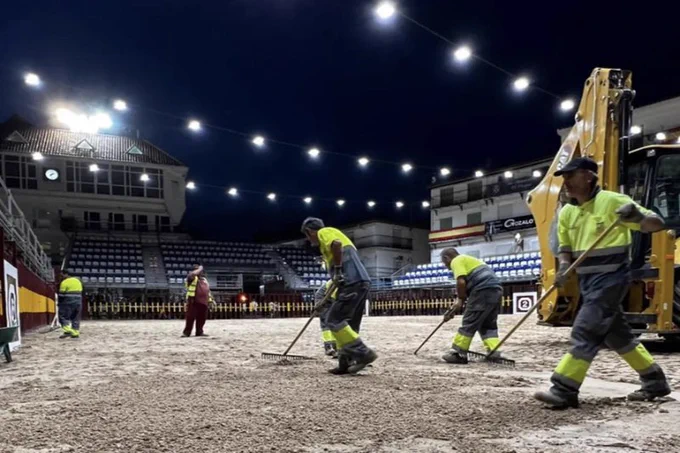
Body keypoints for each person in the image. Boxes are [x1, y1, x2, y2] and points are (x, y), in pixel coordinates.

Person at [535, 157, 671, 408]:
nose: (565, 183)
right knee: (618, 337)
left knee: (585, 330)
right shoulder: (567, 212)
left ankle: (564, 388)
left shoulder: (613, 202)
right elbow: (565, 248)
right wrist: (564, 267)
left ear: (588, 176)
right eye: (563, 177)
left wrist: (636, 213)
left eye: (570, 176)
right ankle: (655, 381)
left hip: (612, 279)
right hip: (588, 281)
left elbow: (656, 224)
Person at [301, 217, 377, 374]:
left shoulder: (325, 232)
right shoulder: (330, 243)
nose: (309, 240)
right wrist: (323, 301)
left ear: (309, 232)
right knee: (348, 324)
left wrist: (337, 270)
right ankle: (345, 362)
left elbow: (337, 245)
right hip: (361, 282)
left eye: (307, 236)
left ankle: (363, 353)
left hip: (351, 282)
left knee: (333, 320)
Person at [439, 249, 503, 364]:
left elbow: (461, 282)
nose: (446, 266)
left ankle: (458, 353)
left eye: (444, 263)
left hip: (482, 290)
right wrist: (458, 304)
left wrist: (460, 300)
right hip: (496, 289)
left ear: (446, 258)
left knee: (470, 320)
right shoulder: (471, 260)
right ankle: (494, 351)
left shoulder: (457, 260)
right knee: (488, 324)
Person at [183, 264, 213, 337]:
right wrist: (200, 268)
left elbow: (208, 291)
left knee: (202, 318)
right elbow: (192, 274)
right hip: (193, 301)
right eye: (197, 269)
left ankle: (199, 331)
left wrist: (210, 300)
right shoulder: (191, 278)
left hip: (203, 302)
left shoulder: (204, 280)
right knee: (190, 317)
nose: (200, 272)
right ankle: (187, 332)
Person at [315, 279, 338, 358]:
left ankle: (335, 347)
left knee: (335, 323)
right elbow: (332, 296)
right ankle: (328, 347)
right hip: (323, 299)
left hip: (333, 300)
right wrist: (319, 304)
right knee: (326, 323)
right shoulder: (338, 280)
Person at [58, 270, 83, 339]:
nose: (61, 277)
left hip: (68, 302)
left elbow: (61, 295)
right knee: (75, 317)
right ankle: (75, 333)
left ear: (66, 274)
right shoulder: (78, 281)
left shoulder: (64, 282)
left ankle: (69, 331)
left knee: (63, 316)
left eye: (62, 275)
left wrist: (59, 303)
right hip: (78, 302)